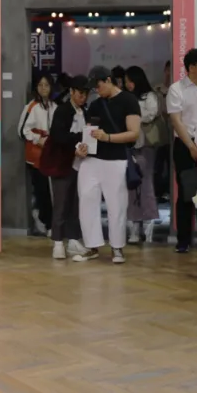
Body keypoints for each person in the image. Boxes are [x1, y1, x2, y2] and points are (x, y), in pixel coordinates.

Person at [74, 66, 141, 264]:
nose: (97, 90)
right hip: (91, 160)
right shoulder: (95, 105)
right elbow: (89, 132)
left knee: (116, 205)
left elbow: (134, 133)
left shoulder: (129, 100)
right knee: (87, 201)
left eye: (99, 86)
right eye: (94, 88)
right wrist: (82, 148)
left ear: (109, 80)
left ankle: (117, 247)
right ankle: (91, 245)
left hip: (117, 160)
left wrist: (108, 137)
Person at [167, 49, 197, 254]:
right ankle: (183, 240)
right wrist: (192, 147)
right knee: (187, 192)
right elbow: (176, 121)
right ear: (192, 67)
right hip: (186, 145)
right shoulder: (177, 89)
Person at [42, 75, 91, 260]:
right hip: (61, 163)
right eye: (80, 93)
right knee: (61, 203)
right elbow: (58, 136)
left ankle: (73, 239)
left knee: (75, 203)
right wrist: (76, 144)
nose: (82, 97)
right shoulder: (62, 111)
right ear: (71, 92)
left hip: (80, 164)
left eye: (85, 94)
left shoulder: (84, 111)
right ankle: (57, 241)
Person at [125, 66, 160, 244]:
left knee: (146, 184)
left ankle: (148, 223)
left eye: (130, 81)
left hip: (146, 145)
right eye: (126, 82)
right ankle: (134, 226)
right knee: (131, 185)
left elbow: (150, 115)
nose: (128, 84)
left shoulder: (150, 96)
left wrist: (133, 115)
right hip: (130, 145)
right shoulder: (125, 97)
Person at [20, 75, 56, 236]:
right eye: (40, 85)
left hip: (52, 154)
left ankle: (51, 222)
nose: (43, 88)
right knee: (42, 190)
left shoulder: (54, 106)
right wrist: (37, 139)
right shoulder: (32, 106)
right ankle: (46, 222)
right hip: (36, 156)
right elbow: (22, 130)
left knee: (52, 190)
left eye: (46, 85)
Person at [154, 60, 173, 201]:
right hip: (159, 134)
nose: (169, 73)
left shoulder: (177, 90)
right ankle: (158, 192)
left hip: (173, 134)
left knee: (171, 165)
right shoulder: (156, 90)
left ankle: (169, 190)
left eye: (172, 70)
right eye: (167, 70)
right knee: (158, 165)